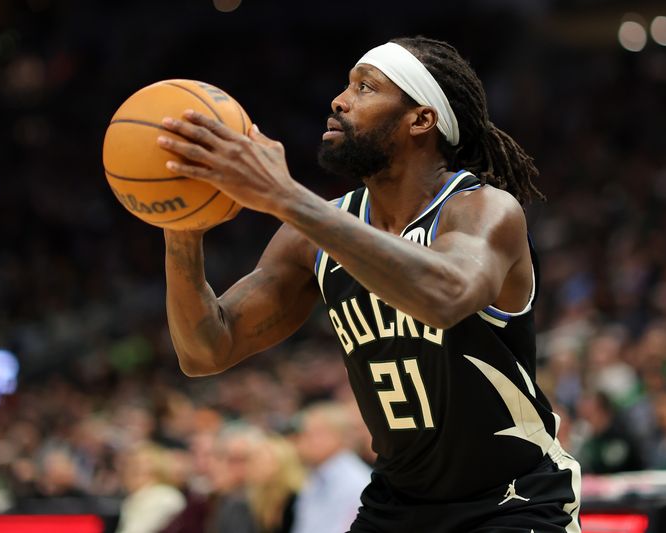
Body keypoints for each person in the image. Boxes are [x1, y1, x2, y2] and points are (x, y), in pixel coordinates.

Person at [159, 36, 581, 532]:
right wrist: (180, 225)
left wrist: (285, 195)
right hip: (396, 506)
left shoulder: (481, 210)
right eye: (346, 85)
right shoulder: (310, 235)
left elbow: (446, 296)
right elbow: (207, 350)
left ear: (420, 119)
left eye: (365, 87)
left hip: (512, 501)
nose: (339, 100)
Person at [292, 402, 371, 533]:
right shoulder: (315, 476)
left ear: (340, 435)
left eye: (313, 433)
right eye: (304, 433)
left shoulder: (355, 481)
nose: (304, 440)